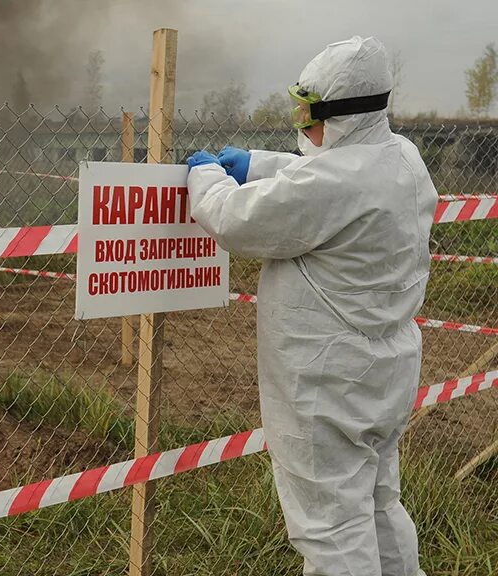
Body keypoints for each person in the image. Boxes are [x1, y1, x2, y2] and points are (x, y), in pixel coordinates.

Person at [185, 37, 436, 576]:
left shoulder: (333, 184)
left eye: (307, 111)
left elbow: (236, 219)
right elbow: (322, 177)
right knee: (378, 504)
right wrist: (256, 163)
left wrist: (204, 175)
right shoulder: (403, 159)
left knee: (331, 530)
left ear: (339, 116)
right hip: (385, 373)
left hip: (328, 386)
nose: (300, 124)